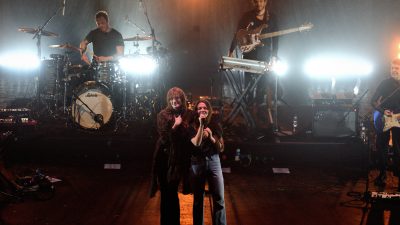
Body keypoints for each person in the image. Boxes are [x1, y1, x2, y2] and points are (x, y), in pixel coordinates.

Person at [228, 0, 280, 128]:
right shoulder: (247, 17)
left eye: (261, 1)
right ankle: (247, 118)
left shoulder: (272, 17)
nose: (259, 4)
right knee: (248, 87)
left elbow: (276, 38)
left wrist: (274, 55)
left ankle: (261, 118)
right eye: (256, 1)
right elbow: (237, 34)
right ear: (253, 2)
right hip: (249, 56)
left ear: (266, 2)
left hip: (265, 56)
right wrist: (231, 50)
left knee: (263, 86)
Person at [149, 87, 193, 225]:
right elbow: (164, 137)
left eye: (177, 98)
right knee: (165, 194)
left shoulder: (188, 114)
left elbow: (188, 137)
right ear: (169, 100)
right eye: (172, 99)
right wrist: (175, 126)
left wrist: (180, 126)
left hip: (178, 159)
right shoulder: (162, 115)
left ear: (182, 99)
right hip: (164, 158)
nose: (174, 101)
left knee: (172, 193)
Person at [189, 99, 226, 225]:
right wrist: (200, 125)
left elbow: (221, 147)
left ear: (208, 110)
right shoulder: (191, 124)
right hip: (197, 163)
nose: (202, 110)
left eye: (204, 108)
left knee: (219, 199)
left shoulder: (215, 124)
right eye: (199, 108)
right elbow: (196, 143)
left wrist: (210, 137)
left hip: (213, 161)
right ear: (196, 111)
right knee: (198, 200)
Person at [370, 58, 400, 188]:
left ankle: (398, 175)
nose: (394, 70)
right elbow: (373, 101)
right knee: (382, 147)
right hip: (384, 118)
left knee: (399, 148)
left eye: (397, 68)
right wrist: (382, 111)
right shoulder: (384, 83)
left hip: (399, 118)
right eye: (392, 68)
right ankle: (382, 174)